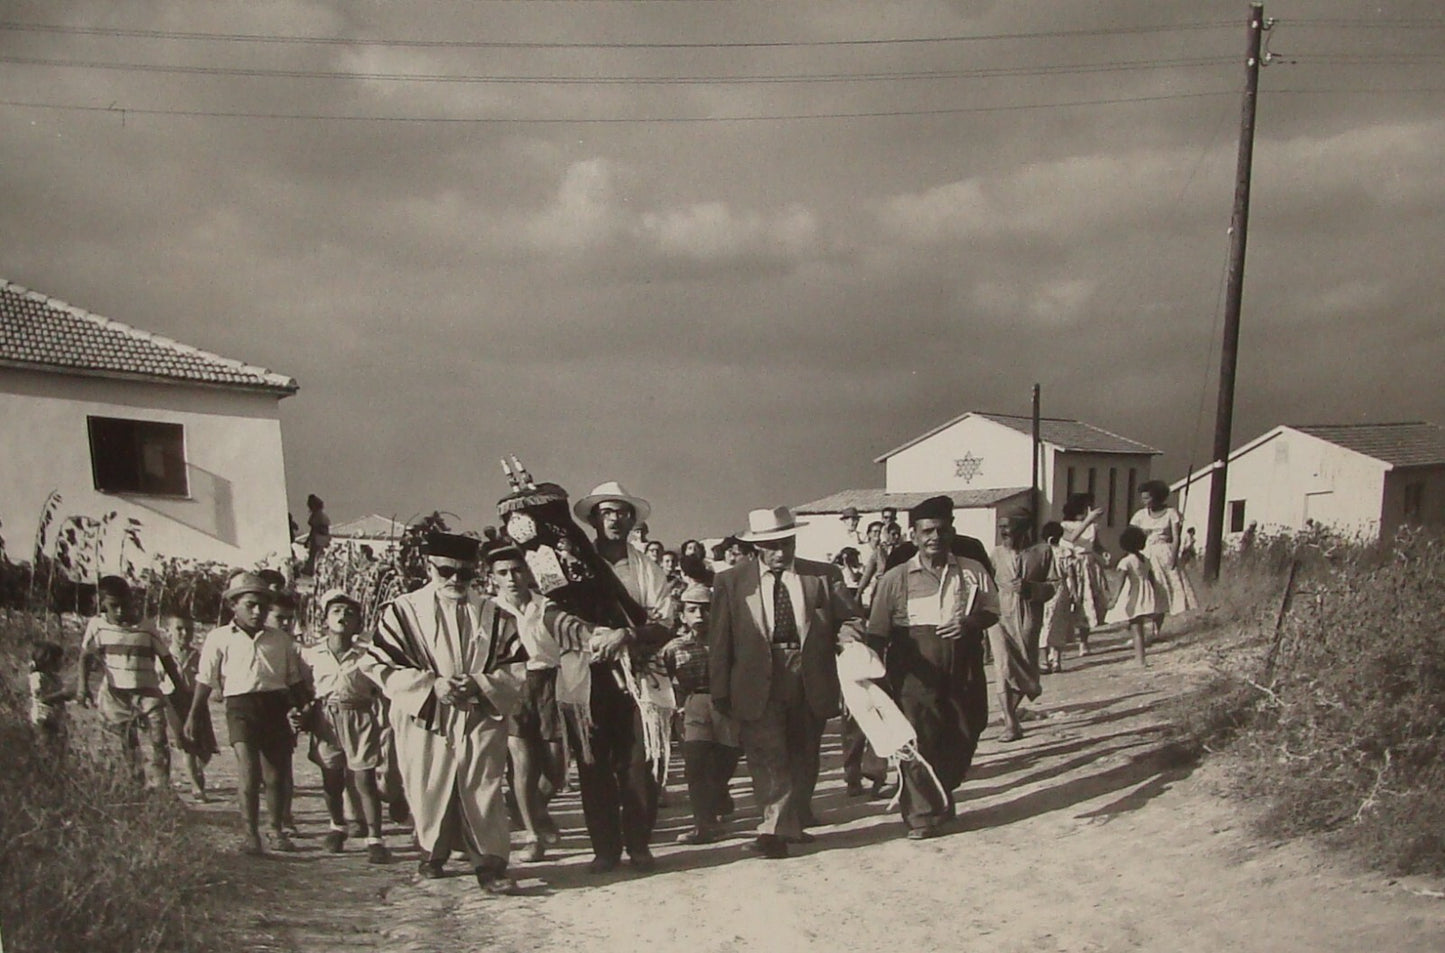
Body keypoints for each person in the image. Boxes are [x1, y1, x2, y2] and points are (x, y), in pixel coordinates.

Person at [361, 532, 529, 894]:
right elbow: (377, 663)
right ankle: (431, 854)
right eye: (446, 571)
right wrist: (430, 686)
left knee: (482, 785)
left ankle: (491, 864)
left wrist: (481, 683)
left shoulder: (493, 613)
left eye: (464, 574)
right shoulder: (402, 611)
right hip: (424, 713)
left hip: (478, 711)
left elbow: (516, 665)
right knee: (427, 781)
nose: (455, 581)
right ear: (428, 567)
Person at [709, 506, 861, 859]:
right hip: (755, 676)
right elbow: (720, 640)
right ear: (756, 547)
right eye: (771, 545)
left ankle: (793, 816)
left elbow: (850, 618)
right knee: (767, 753)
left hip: (809, 674)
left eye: (786, 543)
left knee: (805, 752)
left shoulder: (822, 576)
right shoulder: (731, 582)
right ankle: (773, 829)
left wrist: (849, 639)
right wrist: (719, 689)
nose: (780, 553)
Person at [866, 495, 999, 838]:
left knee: (965, 731)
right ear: (913, 535)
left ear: (951, 532)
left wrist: (969, 624)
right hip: (914, 672)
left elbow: (992, 610)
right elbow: (877, 631)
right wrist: (873, 679)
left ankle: (941, 795)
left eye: (941, 530)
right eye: (926, 531)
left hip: (963, 666)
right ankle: (921, 816)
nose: (934, 537)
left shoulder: (972, 570)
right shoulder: (895, 578)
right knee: (918, 739)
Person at [572, 481, 678, 873]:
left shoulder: (647, 570)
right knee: (594, 761)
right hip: (589, 675)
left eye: (621, 512)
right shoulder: (576, 564)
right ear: (595, 520)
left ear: (632, 519)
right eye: (606, 512)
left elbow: (665, 621)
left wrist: (628, 635)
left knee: (641, 760)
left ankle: (638, 843)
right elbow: (555, 612)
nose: (614, 519)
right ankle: (604, 849)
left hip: (638, 674)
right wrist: (592, 637)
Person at [487, 540, 613, 863]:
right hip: (511, 687)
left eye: (517, 570)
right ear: (493, 578)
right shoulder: (489, 611)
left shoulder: (546, 607)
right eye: (503, 573)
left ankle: (531, 806)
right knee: (523, 766)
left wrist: (599, 635)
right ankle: (533, 836)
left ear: (528, 572)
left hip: (550, 685)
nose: (512, 578)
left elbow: (571, 629)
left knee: (556, 769)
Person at [186, 573, 307, 854]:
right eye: (250, 605)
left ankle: (275, 828)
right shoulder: (219, 638)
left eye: (263, 607)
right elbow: (205, 679)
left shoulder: (280, 639)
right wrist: (194, 714)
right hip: (240, 707)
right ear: (233, 606)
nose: (257, 611)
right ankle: (250, 833)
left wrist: (304, 708)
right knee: (248, 772)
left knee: (275, 776)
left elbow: (293, 680)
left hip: (274, 706)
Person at [299, 589, 391, 864]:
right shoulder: (310, 654)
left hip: (359, 717)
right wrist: (305, 713)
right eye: (337, 611)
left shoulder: (366, 654)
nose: (343, 616)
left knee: (364, 778)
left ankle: (374, 838)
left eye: (350, 613)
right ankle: (337, 826)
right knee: (331, 778)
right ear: (325, 619)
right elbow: (304, 687)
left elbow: (381, 688)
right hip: (326, 718)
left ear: (357, 623)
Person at [82, 575, 186, 790]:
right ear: (102, 604)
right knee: (126, 742)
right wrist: (82, 687)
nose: (120, 611)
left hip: (147, 692)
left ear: (132, 601)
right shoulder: (97, 626)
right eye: (114, 606)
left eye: (124, 605)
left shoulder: (146, 627)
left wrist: (180, 687)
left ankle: (162, 786)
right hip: (117, 694)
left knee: (158, 738)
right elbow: (86, 656)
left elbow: (165, 657)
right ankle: (135, 784)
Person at [660, 581, 741, 845]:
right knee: (695, 766)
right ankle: (703, 824)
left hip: (727, 708)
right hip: (693, 706)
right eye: (692, 610)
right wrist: (677, 706)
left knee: (724, 763)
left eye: (706, 610)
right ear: (682, 615)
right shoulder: (674, 648)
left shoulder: (731, 643)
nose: (699, 616)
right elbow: (662, 680)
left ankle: (719, 795)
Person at [990, 510, 1055, 742]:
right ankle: (1010, 721)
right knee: (1003, 666)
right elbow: (985, 585)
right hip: (999, 616)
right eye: (1001, 527)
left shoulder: (1042, 552)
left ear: (1024, 528)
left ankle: (1030, 688)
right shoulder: (995, 554)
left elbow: (1054, 585)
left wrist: (1031, 589)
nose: (1004, 532)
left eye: (1008, 526)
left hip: (1028, 615)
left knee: (1025, 665)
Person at [1130, 481, 1198, 617]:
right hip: (1145, 553)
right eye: (1142, 498)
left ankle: (1158, 626)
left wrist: (1173, 557)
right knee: (1147, 588)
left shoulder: (1171, 513)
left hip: (1164, 553)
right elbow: (1132, 536)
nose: (1144, 502)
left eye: (1147, 498)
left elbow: (1176, 537)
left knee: (1164, 589)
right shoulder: (1140, 515)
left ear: (1157, 497)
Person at [1107, 526, 1166, 666]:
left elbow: (1120, 581)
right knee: (1139, 625)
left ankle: (1140, 659)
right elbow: (1151, 578)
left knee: (1136, 627)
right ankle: (1142, 657)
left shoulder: (1126, 561)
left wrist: (1114, 599)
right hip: (1146, 593)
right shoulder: (1145, 559)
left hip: (1134, 594)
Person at [1059, 494, 1109, 656]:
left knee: (1088, 604)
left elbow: (1096, 545)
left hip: (1089, 565)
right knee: (1071, 602)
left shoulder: (1092, 526)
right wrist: (1089, 520)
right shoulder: (1065, 525)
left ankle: (1084, 642)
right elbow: (1073, 538)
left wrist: (1104, 552)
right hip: (1072, 565)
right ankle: (1062, 642)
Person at [1038, 522, 1075, 675]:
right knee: (1058, 623)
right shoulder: (1065, 552)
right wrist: (1074, 591)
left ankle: (1044, 660)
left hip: (1044, 587)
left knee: (1044, 624)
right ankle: (1056, 659)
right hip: (1061, 587)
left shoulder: (1040, 552)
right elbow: (1071, 574)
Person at [29, 640, 71, 751]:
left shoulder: (56, 679)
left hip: (57, 719)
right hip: (43, 720)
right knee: (45, 748)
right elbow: (42, 697)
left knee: (59, 749)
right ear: (49, 661)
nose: (62, 662)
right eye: (59, 660)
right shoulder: (37, 677)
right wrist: (62, 694)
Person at [305, 493, 331, 575]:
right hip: (324, 538)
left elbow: (314, 529)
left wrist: (308, 540)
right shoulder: (323, 515)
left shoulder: (317, 515)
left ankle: (312, 571)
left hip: (318, 538)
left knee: (314, 556)